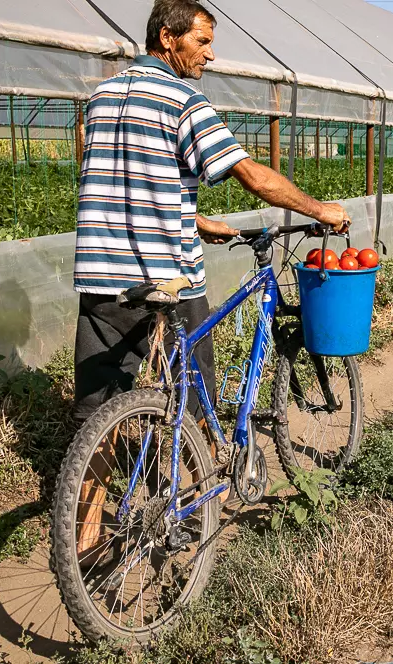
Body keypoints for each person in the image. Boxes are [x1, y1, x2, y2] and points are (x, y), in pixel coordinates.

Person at [72, 0, 352, 424]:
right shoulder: (185, 100)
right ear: (167, 38)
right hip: (167, 272)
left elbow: (123, 179)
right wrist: (320, 209)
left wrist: (194, 220)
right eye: (202, 41)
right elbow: (251, 175)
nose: (211, 53)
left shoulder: (100, 96)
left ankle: (82, 490)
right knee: (192, 391)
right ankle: (207, 485)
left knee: (96, 408)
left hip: (100, 271)